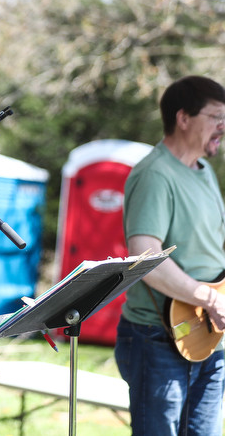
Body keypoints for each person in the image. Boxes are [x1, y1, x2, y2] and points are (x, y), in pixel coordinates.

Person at [114, 75, 225, 436]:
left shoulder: (205, 172)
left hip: (209, 334)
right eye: (215, 117)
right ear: (183, 118)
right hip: (157, 339)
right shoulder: (154, 174)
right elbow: (146, 259)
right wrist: (209, 298)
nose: (223, 127)